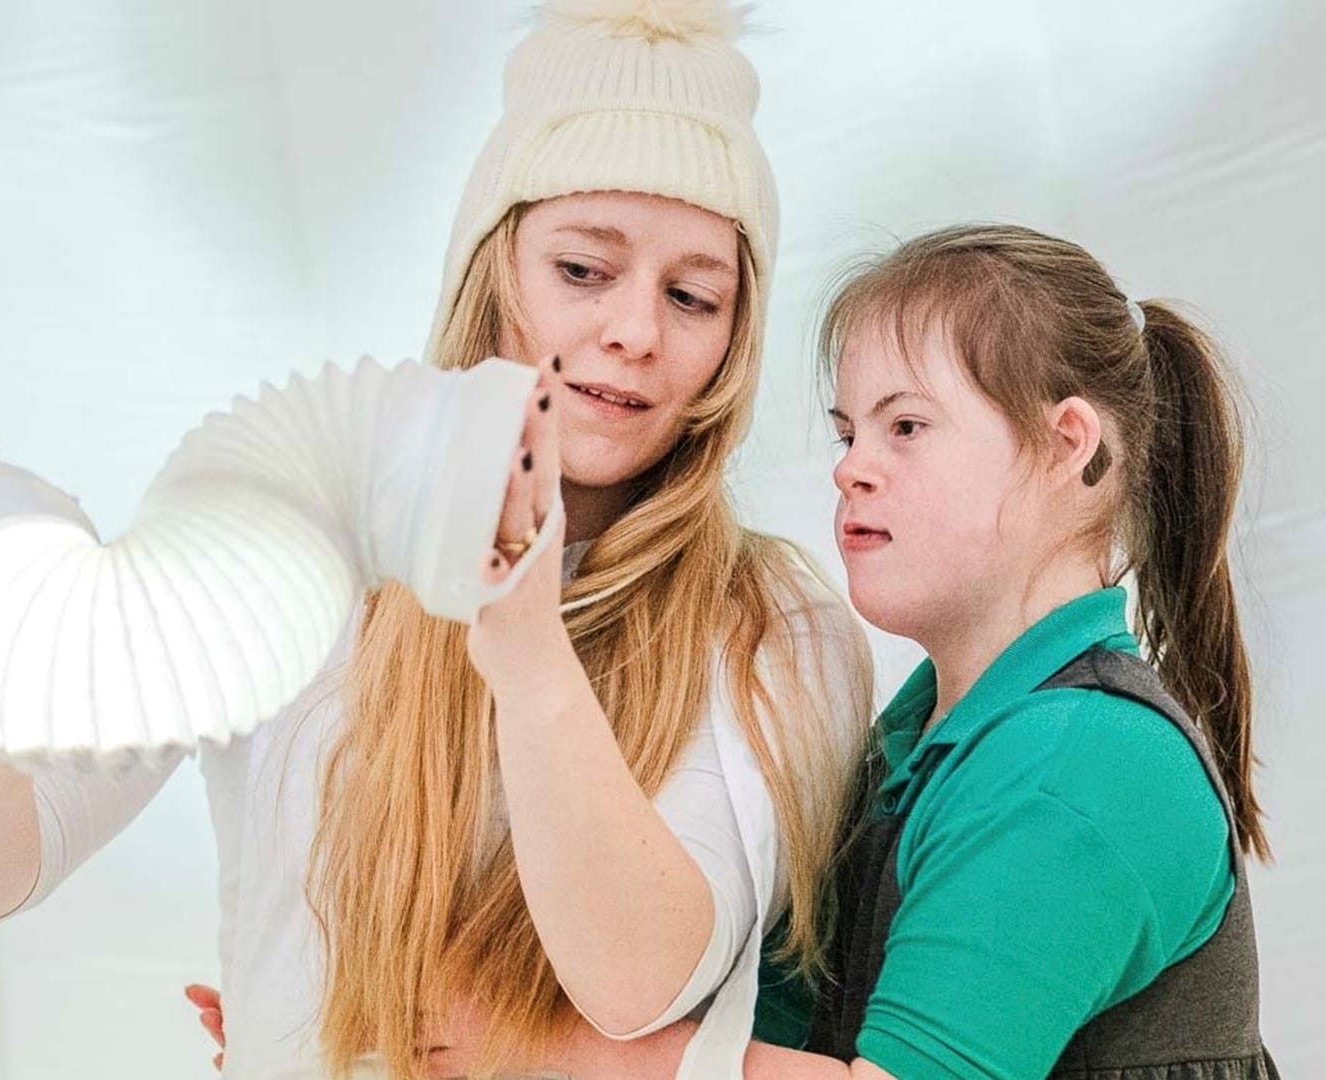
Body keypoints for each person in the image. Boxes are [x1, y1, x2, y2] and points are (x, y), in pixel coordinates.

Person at [0, 2, 874, 1077]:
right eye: (581, 271)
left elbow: (637, 982)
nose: (636, 331)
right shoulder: (284, 538)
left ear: (735, 337)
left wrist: (526, 656)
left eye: (692, 295)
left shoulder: (773, 629)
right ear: (492, 271)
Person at [416, 224, 1280, 1078]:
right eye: (847, 433)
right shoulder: (913, 750)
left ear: (1065, 447)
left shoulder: (1076, 765)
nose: (852, 469)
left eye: (905, 427)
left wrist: (553, 1050)